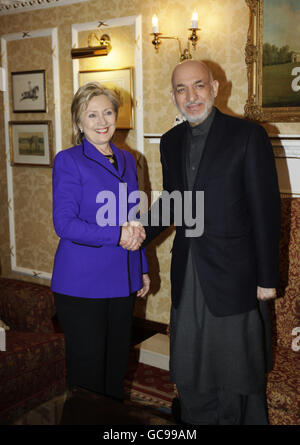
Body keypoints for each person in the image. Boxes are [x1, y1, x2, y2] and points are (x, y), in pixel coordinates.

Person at [141, 60, 281, 425]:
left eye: (198, 86)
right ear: (173, 96)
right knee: (189, 372)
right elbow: (174, 201)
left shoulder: (248, 136)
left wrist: (267, 279)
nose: (191, 96)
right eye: (181, 89)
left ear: (216, 88)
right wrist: (139, 231)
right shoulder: (170, 142)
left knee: (235, 376)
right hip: (189, 275)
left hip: (236, 277)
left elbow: (266, 212)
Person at [51, 82, 150, 401]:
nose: (101, 121)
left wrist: (142, 267)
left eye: (107, 112)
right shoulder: (69, 160)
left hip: (121, 281)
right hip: (82, 285)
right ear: (79, 122)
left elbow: (134, 219)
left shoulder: (127, 159)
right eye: (91, 115)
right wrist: (116, 234)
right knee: (88, 375)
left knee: (116, 368)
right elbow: (64, 224)